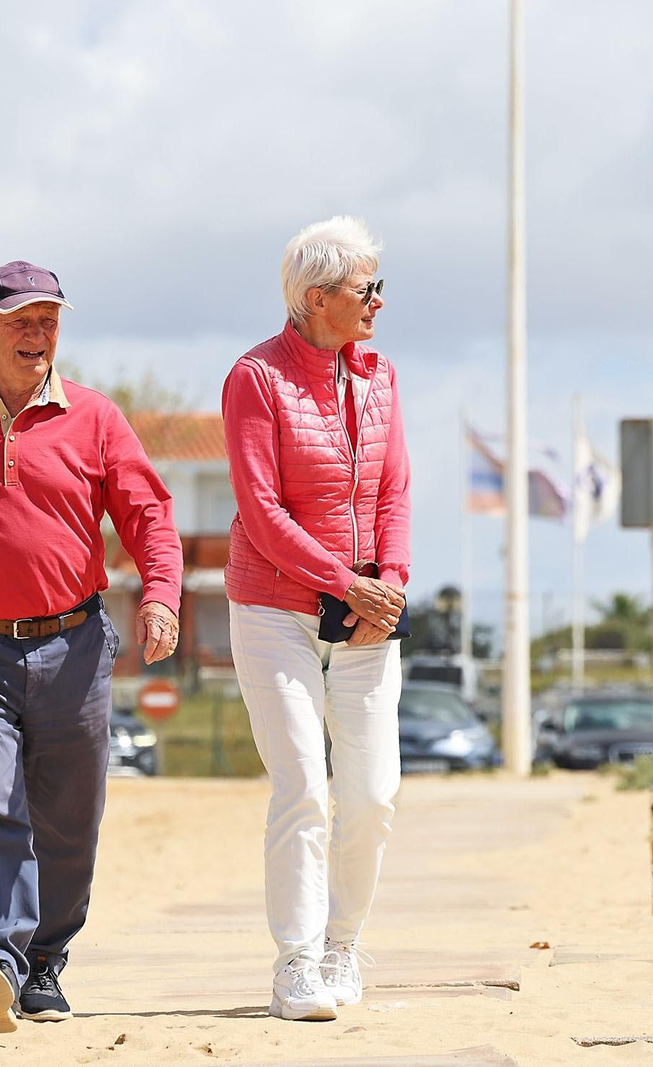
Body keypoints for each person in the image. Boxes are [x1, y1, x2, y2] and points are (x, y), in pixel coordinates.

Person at [0, 260, 183, 1033]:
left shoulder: (95, 417)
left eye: (50, 320)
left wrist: (161, 592)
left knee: (69, 816)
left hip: (75, 649)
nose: (38, 334)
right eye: (21, 320)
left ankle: (45, 957)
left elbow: (150, 515)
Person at [221, 216, 411, 1021]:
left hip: (367, 617)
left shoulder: (381, 375)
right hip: (273, 611)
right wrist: (344, 581)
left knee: (370, 795)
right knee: (302, 783)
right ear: (316, 298)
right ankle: (296, 961)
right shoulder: (255, 379)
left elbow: (396, 491)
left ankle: (343, 943)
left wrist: (389, 585)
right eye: (368, 289)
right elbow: (261, 513)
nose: (378, 303)